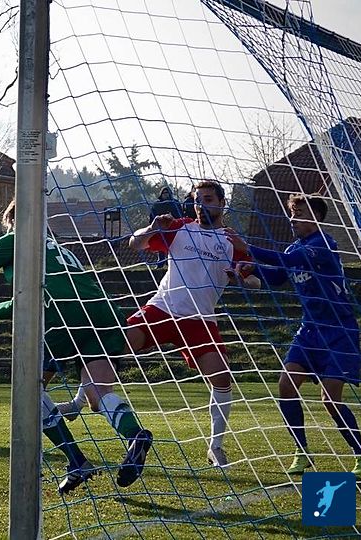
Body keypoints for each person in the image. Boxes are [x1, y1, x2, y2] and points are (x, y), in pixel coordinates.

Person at [0, 199, 153, 495]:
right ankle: (135, 435)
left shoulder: (17, 239)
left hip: (62, 317)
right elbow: (26, 300)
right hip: (104, 314)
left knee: (29, 392)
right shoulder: (58, 250)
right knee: (98, 395)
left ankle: (77, 460)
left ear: (13, 221)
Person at [59, 180, 257, 468]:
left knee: (222, 378)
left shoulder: (232, 241)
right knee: (112, 344)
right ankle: (77, 404)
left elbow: (254, 281)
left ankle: (215, 447)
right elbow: (135, 243)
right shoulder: (180, 228)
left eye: (208, 199)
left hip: (199, 320)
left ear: (222, 203)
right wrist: (152, 227)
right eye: (197, 199)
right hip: (162, 308)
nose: (201, 204)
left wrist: (242, 275)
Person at [227, 194, 361, 476]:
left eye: (299, 214)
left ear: (316, 217)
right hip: (309, 331)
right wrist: (251, 270)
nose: (293, 219)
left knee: (330, 399)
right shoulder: (294, 247)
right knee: (286, 385)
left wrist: (248, 249)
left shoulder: (324, 243)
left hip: (339, 331)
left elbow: (290, 260)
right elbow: (278, 277)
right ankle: (302, 453)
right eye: (292, 214)